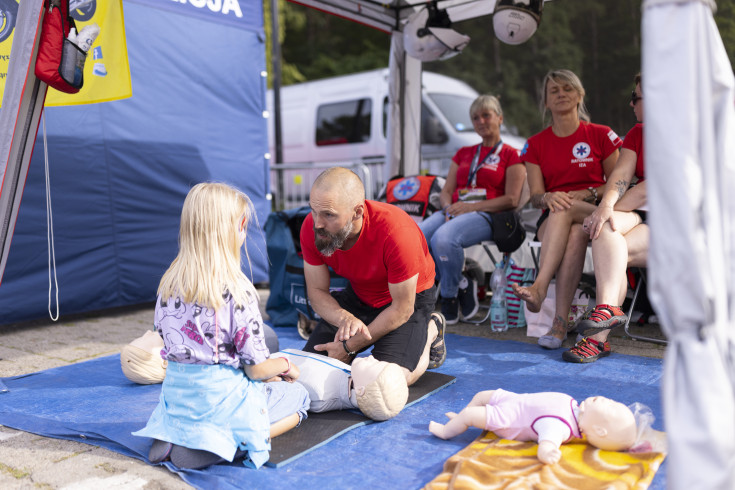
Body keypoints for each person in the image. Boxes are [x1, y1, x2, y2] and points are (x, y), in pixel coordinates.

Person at [133, 183, 310, 470]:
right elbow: (256, 370)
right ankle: (231, 443)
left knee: (263, 349)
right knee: (300, 397)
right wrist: (285, 366)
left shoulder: (168, 285)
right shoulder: (237, 292)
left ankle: (176, 432)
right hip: (220, 404)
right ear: (239, 227)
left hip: (179, 400)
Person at [300, 167, 445, 387]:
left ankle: (431, 328)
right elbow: (317, 292)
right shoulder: (312, 228)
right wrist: (344, 319)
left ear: (357, 212)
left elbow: (401, 309)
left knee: (386, 382)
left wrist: (349, 347)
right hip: (361, 293)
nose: (318, 223)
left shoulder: (396, 232)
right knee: (311, 372)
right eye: (314, 211)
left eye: (329, 215)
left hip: (407, 300)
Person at [510, 69, 621, 351]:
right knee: (569, 227)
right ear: (546, 102)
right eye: (554, 91)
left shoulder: (600, 134)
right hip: (557, 216)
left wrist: (590, 192)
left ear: (579, 95)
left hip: (597, 210)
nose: (560, 94)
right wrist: (548, 196)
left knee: (566, 211)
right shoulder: (535, 144)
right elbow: (535, 197)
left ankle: (541, 289)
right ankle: (560, 323)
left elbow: (620, 183)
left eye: (567, 89)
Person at [419, 95, 526, 324]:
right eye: (475, 117)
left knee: (443, 239)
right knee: (416, 237)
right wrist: (448, 208)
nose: (481, 121)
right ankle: (462, 281)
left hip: (489, 214)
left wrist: (471, 207)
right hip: (455, 210)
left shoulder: (511, 154)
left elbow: (512, 199)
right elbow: (446, 190)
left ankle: (449, 297)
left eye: (486, 115)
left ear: (500, 118)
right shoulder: (463, 153)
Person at [568, 74, 649, 362]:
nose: (631, 103)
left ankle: (597, 337)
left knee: (604, 223)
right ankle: (606, 316)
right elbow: (621, 175)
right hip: (643, 215)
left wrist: (606, 208)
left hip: (683, 225)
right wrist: (605, 208)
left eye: (636, 97)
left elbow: (648, 189)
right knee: (605, 228)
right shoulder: (638, 133)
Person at [428, 389, 637, 464]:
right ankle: (459, 420)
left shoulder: (561, 427)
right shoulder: (574, 408)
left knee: (471, 414)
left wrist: (547, 452)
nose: (607, 399)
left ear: (599, 430)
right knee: (482, 395)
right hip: (516, 400)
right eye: (612, 401)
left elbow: (548, 442)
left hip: (510, 418)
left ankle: (447, 431)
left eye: (610, 406)